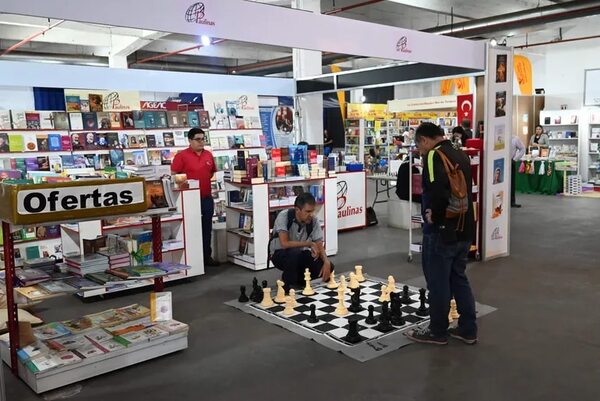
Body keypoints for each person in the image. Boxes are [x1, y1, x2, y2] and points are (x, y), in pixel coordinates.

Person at [406, 122, 477, 346]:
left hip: (442, 230)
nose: (420, 151)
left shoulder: (433, 156)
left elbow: (436, 191)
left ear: (425, 140)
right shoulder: (460, 153)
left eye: (419, 146)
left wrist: (433, 215)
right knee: (459, 278)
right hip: (465, 227)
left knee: (438, 281)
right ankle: (468, 329)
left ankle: (437, 331)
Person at [171, 128, 219, 266]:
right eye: (198, 139)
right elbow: (174, 174)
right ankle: (193, 259)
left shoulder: (208, 155)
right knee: (191, 229)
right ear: (190, 140)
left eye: (203, 139)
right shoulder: (182, 156)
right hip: (189, 200)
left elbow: (210, 173)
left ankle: (206, 257)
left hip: (206, 198)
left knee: (206, 228)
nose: (201, 142)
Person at [270, 192, 332, 292]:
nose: (311, 215)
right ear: (297, 210)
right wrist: (309, 244)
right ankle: (284, 286)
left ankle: (299, 280)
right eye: (307, 211)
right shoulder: (284, 216)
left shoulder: (313, 220)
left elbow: (319, 243)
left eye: (312, 211)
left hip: (299, 254)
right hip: (279, 254)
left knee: (327, 267)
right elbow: (284, 244)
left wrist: (326, 261)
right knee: (294, 253)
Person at [511, 135, 526, 208]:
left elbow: (523, 149)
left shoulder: (515, 138)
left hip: (510, 162)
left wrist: (515, 159)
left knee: (511, 182)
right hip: (499, 161)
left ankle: (512, 201)